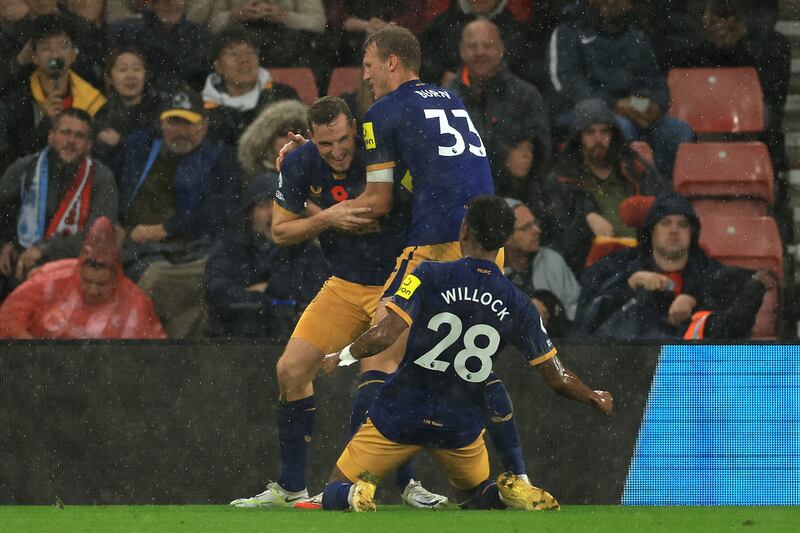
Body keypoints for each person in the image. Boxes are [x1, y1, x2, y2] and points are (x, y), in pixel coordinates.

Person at [319, 195, 613, 512]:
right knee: (475, 499)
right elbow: (556, 376)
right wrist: (592, 395)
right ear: (504, 241)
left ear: (464, 230)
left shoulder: (427, 275)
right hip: (460, 420)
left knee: (335, 488)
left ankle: (355, 494)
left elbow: (385, 334)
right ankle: (506, 494)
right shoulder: (519, 303)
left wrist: (344, 355)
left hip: (403, 409)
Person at [228, 96, 447, 509]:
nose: (337, 151)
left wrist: (325, 211)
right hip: (344, 285)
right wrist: (329, 217)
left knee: (379, 375)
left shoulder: (381, 152)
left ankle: (394, 484)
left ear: (355, 129)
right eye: (326, 144)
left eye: (343, 139)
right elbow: (280, 232)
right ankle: (292, 486)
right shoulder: (299, 163)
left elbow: (379, 207)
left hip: (395, 283)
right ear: (311, 138)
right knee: (290, 370)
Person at [116, 87, 240, 338]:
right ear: (161, 124)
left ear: (204, 125)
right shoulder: (139, 150)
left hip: (197, 250)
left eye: (189, 124)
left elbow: (221, 212)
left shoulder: (220, 158)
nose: (181, 131)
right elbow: (117, 192)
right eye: (173, 122)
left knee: (168, 284)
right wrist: (117, 225)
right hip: (140, 250)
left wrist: (166, 229)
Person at [550, 0, 694, 177]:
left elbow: (656, 80)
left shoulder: (636, 35)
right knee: (621, 128)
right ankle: (623, 191)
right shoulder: (569, 31)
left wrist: (655, 105)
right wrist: (613, 104)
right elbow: (569, 84)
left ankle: (665, 192)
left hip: (631, 106)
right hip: (585, 112)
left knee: (677, 130)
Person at [0, 108, 117, 302]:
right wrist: (4, 244)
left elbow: (99, 236)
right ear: (51, 136)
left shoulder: (102, 177)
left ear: (89, 145)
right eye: (65, 132)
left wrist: (46, 250)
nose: (71, 141)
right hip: (18, 260)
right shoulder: (24, 168)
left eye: (79, 136)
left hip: (70, 265)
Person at [573, 192, 722, 340]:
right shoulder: (615, 265)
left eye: (682, 224)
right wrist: (630, 285)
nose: (674, 230)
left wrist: (695, 300)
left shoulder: (710, 270)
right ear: (651, 230)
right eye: (665, 223)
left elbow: (732, 314)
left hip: (690, 361)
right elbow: (585, 325)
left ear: (692, 232)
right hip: (629, 359)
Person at [543, 98, 666, 275]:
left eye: (604, 132)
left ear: (613, 135)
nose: (598, 140)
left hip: (643, 261)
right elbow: (559, 238)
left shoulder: (634, 169)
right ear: (578, 137)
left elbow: (665, 203)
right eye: (590, 133)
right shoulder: (562, 180)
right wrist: (585, 219)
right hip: (590, 269)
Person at [204, 173, 329, 339]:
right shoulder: (229, 247)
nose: (273, 213)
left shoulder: (307, 250)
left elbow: (319, 293)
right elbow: (218, 292)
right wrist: (270, 300)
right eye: (264, 205)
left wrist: (269, 288)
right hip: (236, 343)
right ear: (249, 213)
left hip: (293, 342)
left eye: (280, 204)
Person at [0, 216, 167, 339]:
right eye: (87, 281)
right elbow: (8, 317)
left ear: (116, 279)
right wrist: (32, 349)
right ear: (78, 273)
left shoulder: (135, 303)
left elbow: (153, 356)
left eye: (101, 284)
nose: (93, 290)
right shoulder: (50, 278)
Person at [449, 19, 550, 208]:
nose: (480, 52)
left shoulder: (526, 95)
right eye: (473, 46)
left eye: (487, 45)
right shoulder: (445, 99)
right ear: (462, 50)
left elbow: (540, 156)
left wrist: (524, 159)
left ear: (501, 49)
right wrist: (505, 156)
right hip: (462, 203)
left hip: (519, 203)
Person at [1, 15, 106, 169]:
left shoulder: (94, 100)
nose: (56, 55)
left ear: (73, 54)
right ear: (34, 57)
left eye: (63, 46)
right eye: (46, 48)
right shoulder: (18, 101)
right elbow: (11, 159)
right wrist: (45, 125)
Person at [203, 27, 299, 146]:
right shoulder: (204, 109)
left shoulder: (282, 95)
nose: (244, 59)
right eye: (233, 54)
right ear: (218, 67)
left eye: (250, 52)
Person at [503, 198, 579, 330]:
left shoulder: (552, 260)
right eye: (527, 227)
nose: (537, 230)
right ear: (505, 237)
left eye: (535, 223)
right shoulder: (486, 271)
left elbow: (576, 312)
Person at [419, 0, 533, 87]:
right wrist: (439, 79)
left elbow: (530, 76)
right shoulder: (440, 29)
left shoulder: (517, 32)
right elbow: (422, 70)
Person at [106, 0, 210, 91]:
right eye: (161, 1)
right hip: (141, 103)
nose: (169, 5)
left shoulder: (201, 37)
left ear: (186, 2)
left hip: (186, 105)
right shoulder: (126, 32)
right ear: (152, 3)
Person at [92, 48, 160, 165]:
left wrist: (121, 142)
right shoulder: (102, 114)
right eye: (122, 70)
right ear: (109, 78)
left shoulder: (159, 109)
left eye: (137, 69)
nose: (130, 76)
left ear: (146, 75)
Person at [209, 0, 326, 69]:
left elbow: (317, 23)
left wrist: (284, 17)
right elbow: (213, 24)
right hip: (239, 35)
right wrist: (234, 16)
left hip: (287, 39)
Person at [237, 98, 308, 186]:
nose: (293, 137)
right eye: (284, 131)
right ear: (268, 139)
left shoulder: (309, 176)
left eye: (298, 131)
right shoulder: (265, 181)